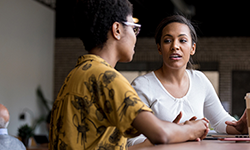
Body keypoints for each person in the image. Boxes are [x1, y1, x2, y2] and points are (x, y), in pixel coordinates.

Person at [49, 1, 209, 150]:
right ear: (117, 30)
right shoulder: (106, 78)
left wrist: (175, 130)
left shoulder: (76, 74)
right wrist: (192, 129)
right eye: (134, 28)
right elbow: (161, 134)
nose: (135, 36)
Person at [127, 15, 248, 147]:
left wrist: (240, 127)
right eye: (167, 40)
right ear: (159, 48)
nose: (175, 46)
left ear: (192, 48)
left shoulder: (199, 80)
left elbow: (220, 121)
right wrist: (170, 133)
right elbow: (132, 142)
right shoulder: (142, 86)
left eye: (182, 40)